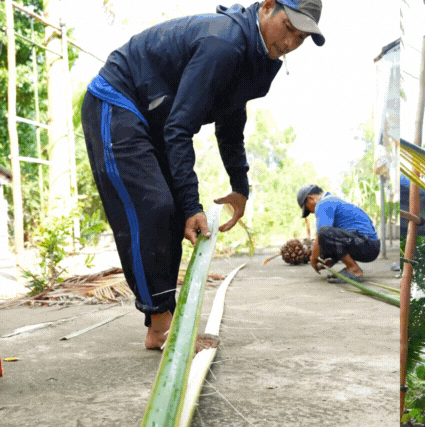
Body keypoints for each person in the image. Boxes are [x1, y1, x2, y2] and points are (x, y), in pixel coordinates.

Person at [81, 0, 324, 351]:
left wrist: (240, 186)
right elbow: (181, 127)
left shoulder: (259, 62)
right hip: (117, 100)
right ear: (268, 6)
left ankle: (158, 326)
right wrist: (193, 201)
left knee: (176, 212)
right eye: (288, 28)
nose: (289, 44)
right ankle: (164, 325)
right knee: (153, 206)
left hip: (155, 120)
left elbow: (230, 126)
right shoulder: (223, 43)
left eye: (300, 38)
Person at [296, 185, 380, 283]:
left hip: (366, 244)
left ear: (311, 198)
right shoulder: (334, 199)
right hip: (369, 245)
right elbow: (335, 240)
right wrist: (329, 260)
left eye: (307, 209)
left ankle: (354, 269)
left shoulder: (323, 203)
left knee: (324, 233)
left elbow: (322, 234)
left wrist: (313, 258)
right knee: (325, 240)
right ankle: (350, 268)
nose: (311, 212)